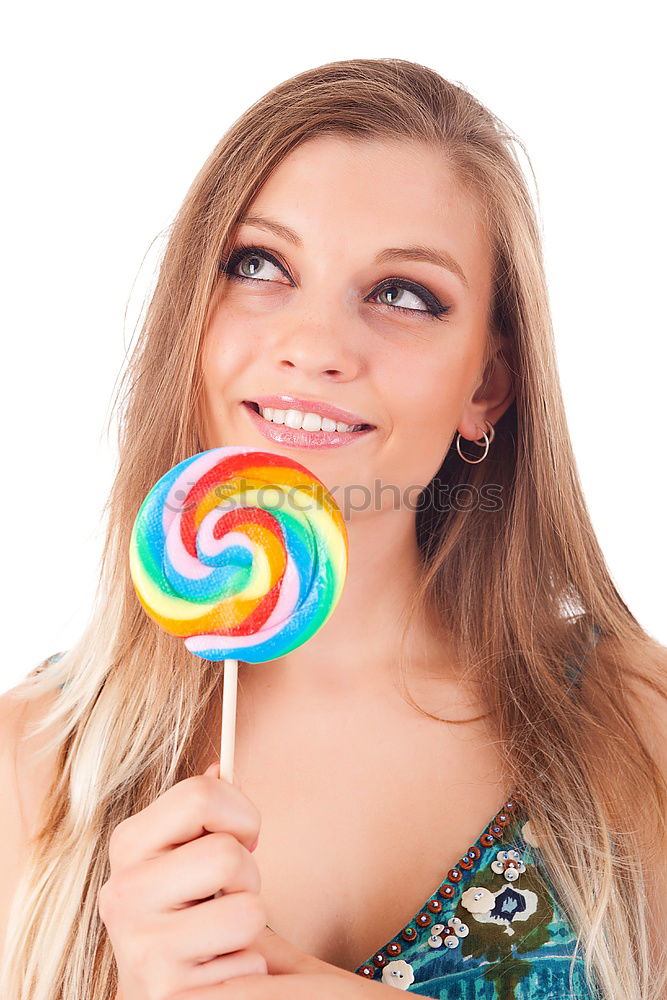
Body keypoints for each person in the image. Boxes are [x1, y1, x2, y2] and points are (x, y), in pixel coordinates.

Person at [1, 57, 666, 1000]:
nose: (314, 347)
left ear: (485, 386)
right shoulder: (33, 766)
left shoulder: (637, 726)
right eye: (259, 265)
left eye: (402, 293)